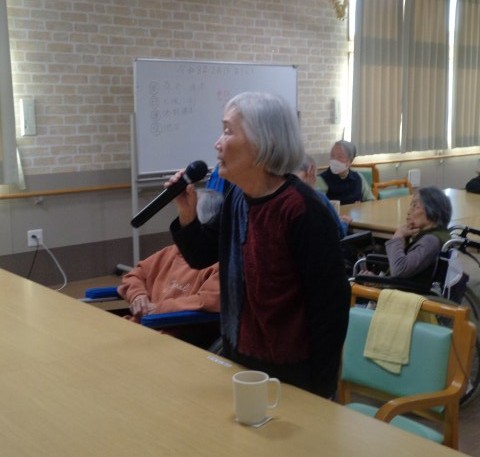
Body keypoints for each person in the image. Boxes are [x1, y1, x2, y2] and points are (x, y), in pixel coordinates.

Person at [168, 92, 351, 398]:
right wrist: (187, 215)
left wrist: (319, 391)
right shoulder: (237, 198)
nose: (217, 143)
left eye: (228, 131)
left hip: (294, 373)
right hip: (240, 357)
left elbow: (330, 308)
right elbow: (200, 256)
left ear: (264, 141)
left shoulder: (302, 209)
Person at [118, 189, 223, 327]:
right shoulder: (169, 253)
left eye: (189, 214)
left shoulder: (219, 263)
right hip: (140, 327)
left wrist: (158, 309)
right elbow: (134, 275)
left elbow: (211, 300)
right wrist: (138, 295)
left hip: (168, 333)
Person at [361, 186, 452, 288]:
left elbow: (400, 270)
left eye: (415, 206)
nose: (409, 211)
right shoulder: (439, 234)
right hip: (402, 288)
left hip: (403, 294)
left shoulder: (430, 241)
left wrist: (398, 236)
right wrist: (377, 280)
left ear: (432, 210)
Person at [294, 153, 351, 238]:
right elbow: (338, 232)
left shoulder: (281, 195)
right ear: (310, 170)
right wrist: (344, 222)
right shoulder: (318, 198)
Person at [318, 140, 375, 205]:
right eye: (332, 155)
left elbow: (371, 201)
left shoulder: (358, 178)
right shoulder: (321, 180)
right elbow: (317, 206)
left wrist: (362, 205)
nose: (334, 160)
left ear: (350, 161)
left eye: (340, 157)